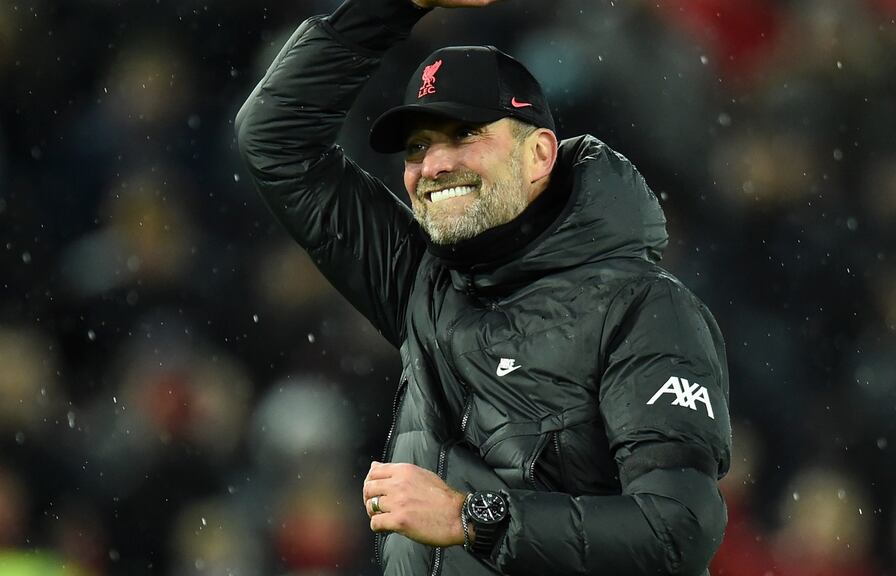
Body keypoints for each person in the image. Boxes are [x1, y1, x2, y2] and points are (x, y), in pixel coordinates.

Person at [235, 0, 732, 574]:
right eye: (417, 147)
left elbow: (678, 528)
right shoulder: (419, 280)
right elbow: (275, 141)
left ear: (540, 153)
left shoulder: (645, 309)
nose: (434, 165)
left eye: (464, 134)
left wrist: (473, 518)